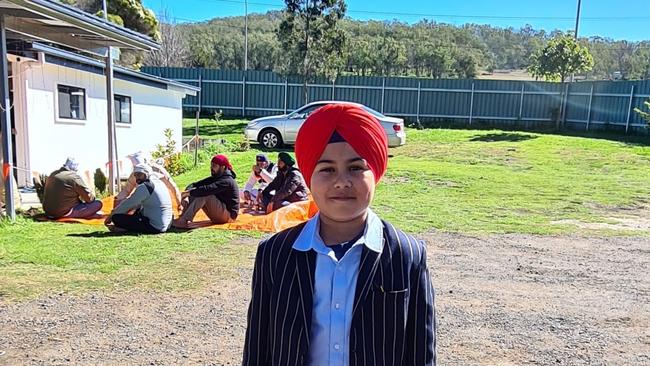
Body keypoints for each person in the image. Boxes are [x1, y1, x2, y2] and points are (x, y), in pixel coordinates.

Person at [243, 104, 436, 365]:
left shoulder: (407, 255)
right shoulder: (275, 254)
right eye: (327, 169)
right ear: (309, 175)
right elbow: (258, 348)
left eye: (356, 168)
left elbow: (420, 354)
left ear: (376, 172)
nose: (342, 181)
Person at [173, 154, 239, 228]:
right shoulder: (216, 177)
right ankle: (182, 218)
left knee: (204, 193)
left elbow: (208, 189)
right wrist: (186, 196)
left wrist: (188, 193)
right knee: (196, 192)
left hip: (228, 216)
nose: (211, 168)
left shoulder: (227, 181)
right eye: (211, 165)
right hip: (220, 215)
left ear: (223, 167)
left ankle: (183, 220)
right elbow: (194, 185)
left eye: (214, 166)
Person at [104, 164, 173, 234]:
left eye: (139, 175)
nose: (137, 178)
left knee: (116, 218)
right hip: (166, 225)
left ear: (146, 174)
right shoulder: (159, 183)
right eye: (135, 175)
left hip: (155, 226)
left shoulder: (146, 186)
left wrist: (110, 216)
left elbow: (128, 204)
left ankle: (124, 229)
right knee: (137, 210)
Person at [114, 151, 182, 210]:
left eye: (140, 173)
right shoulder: (134, 174)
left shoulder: (158, 170)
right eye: (136, 171)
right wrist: (117, 200)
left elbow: (172, 187)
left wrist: (179, 203)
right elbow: (126, 190)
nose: (137, 175)